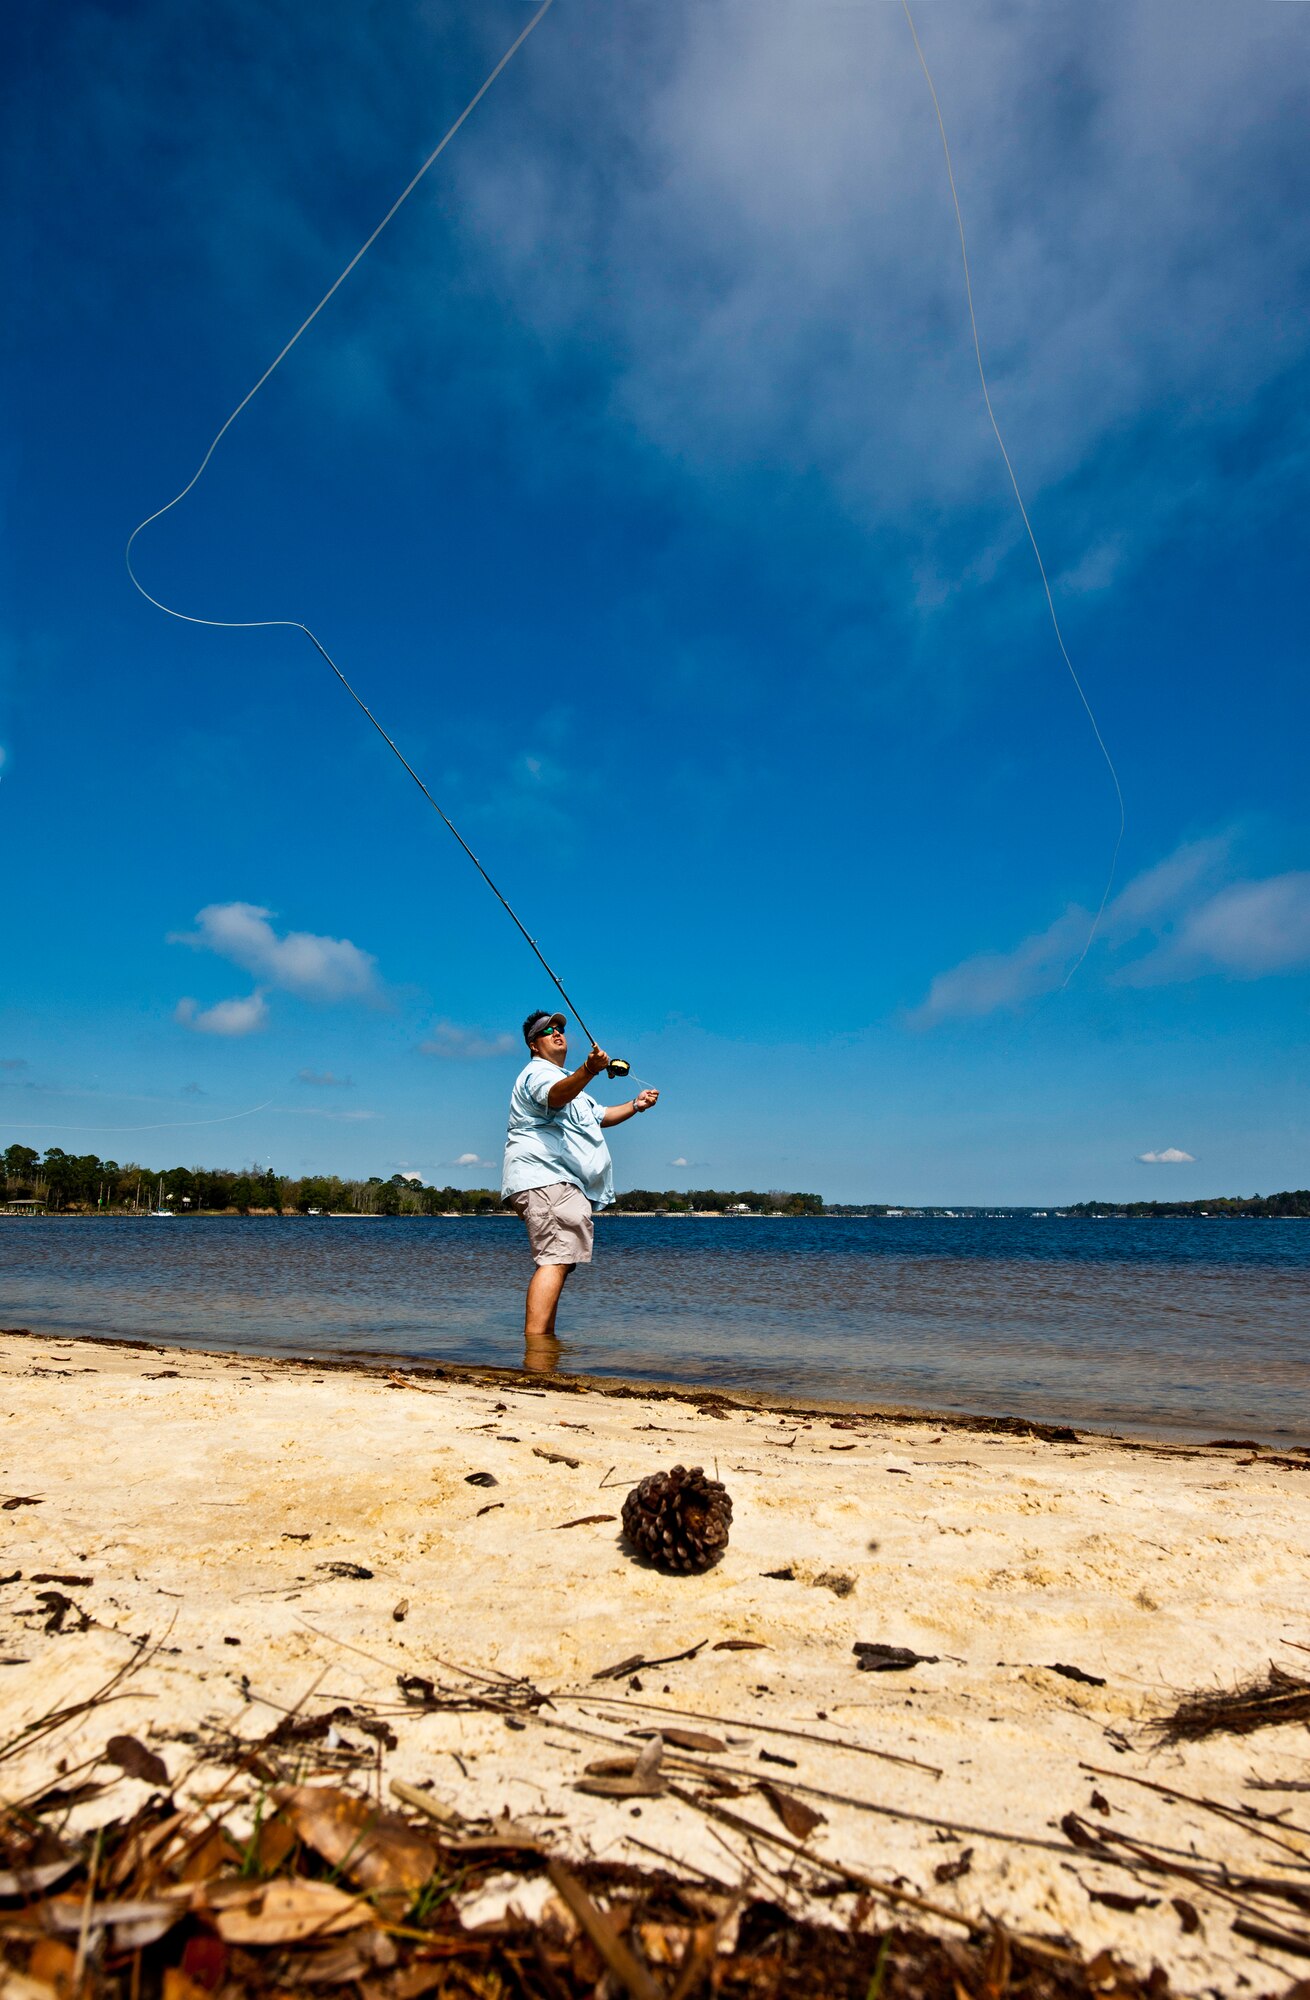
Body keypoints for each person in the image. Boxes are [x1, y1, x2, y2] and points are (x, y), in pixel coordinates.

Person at [503, 1009, 658, 1365]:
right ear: (533, 1046)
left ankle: (544, 1344)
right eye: (547, 1031)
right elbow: (555, 1097)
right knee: (557, 1258)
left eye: (560, 1028)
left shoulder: (569, 1082)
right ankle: (538, 1351)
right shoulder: (538, 1074)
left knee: (562, 1260)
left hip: (558, 1181)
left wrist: (637, 1104)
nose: (557, 1033)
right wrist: (588, 1070)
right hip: (544, 1177)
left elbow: (601, 1116)